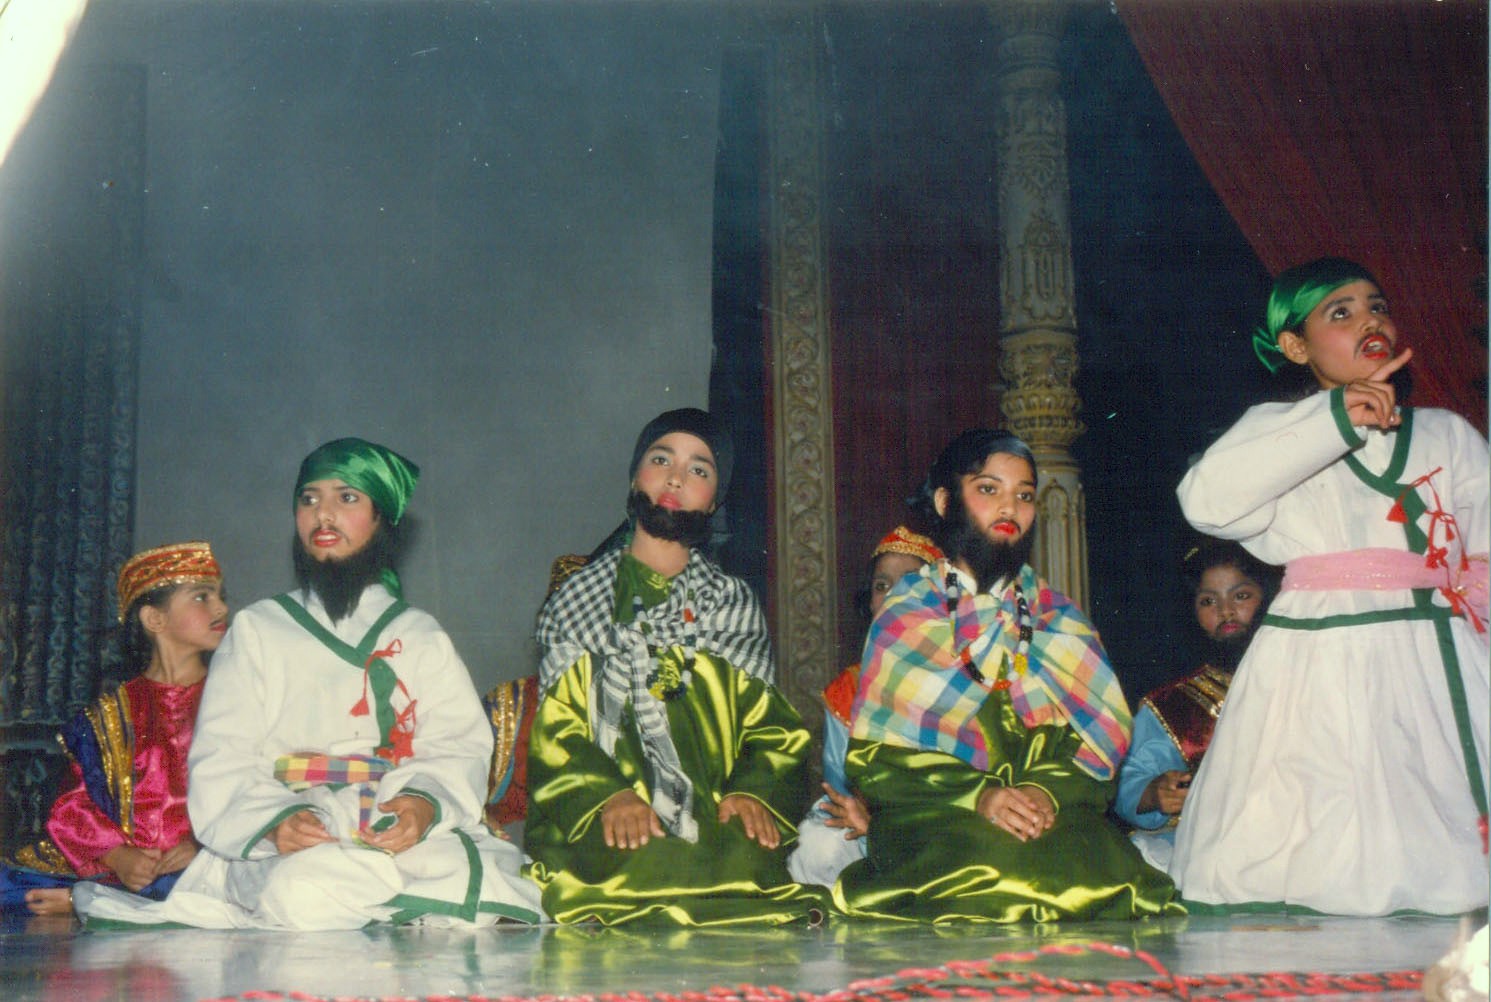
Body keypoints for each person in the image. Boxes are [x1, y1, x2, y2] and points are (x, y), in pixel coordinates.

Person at [74, 438, 543, 929]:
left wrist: (421, 804)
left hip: (388, 817)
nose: (323, 514)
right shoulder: (258, 629)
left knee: (482, 883)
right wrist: (275, 823)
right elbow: (223, 756)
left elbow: (457, 743)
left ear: (380, 519)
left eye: (347, 498)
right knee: (303, 887)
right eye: (309, 498)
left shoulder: (419, 634)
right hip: (292, 831)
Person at [1172, 257, 1489, 915]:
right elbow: (1207, 503)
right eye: (1340, 313)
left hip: (1436, 654)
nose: (1368, 321)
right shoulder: (1276, 431)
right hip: (1316, 657)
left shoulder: (1447, 435)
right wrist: (1335, 419)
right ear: (1296, 346)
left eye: (1376, 306)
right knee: (1317, 832)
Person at [834, 429, 1180, 922]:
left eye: (1024, 495)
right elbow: (878, 756)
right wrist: (980, 796)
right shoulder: (907, 612)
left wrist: (1045, 792)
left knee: (1094, 875)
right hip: (937, 812)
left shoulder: (1058, 616)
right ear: (945, 501)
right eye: (988, 489)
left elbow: (1099, 745)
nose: (1010, 508)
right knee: (997, 872)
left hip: (1049, 811)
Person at [526, 408, 827, 925]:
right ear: (634, 476)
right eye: (661, 459)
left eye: (698, 470)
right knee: (647, 862)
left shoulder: (733, 604)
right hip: (606, 812)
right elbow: (557, 734)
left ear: (714, 500)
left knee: (743, 863)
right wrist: (609, 796)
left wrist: (751, 793)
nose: (675, 478)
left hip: (714, 813)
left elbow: (772, 732)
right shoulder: (577, 601)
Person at [1, 542, 227, 916]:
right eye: (202, 597)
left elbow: (252, 787)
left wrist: (204, 847)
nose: (221, 608)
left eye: (220, 596)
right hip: (121, 869)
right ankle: (104, 898)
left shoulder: (234, 699)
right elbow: (72, 807)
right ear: (155, 619)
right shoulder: (106, 716)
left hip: (211, 860)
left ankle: (90, 901)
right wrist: (118, 856)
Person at [786, 525, 941, 887]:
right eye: (882, 586)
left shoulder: (964, 681)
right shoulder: (849, 689)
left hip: (943, 829)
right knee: (817, 845)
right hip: (866, 830)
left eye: (912, 583)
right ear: (870, 603)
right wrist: (869, 824)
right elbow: (839, 790)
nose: (894, 596)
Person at [1114, 539, 1279, 870]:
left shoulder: (1304, 681)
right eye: (1208, 601)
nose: (1226, 611)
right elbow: (1129, 782)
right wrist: (1155, 793)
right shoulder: (1174, 703)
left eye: (1241, 596)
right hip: (1213, 852)